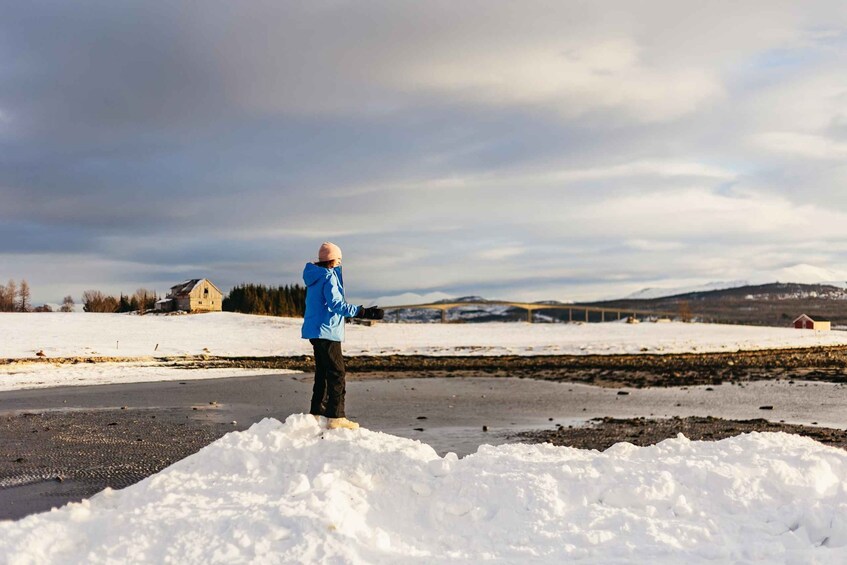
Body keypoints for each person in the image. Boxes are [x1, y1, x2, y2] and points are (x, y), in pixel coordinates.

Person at [301, 242, 384, 430]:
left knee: (323, 372)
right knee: (337, 373)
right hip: (327, 331)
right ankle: (336, 416)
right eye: (339, 259)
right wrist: (364, 312)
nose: (340, 262)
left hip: (317, 331)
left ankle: (317, 412)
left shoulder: (315, 277)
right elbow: (337, 305)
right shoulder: (328, 277)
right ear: (333, 260)